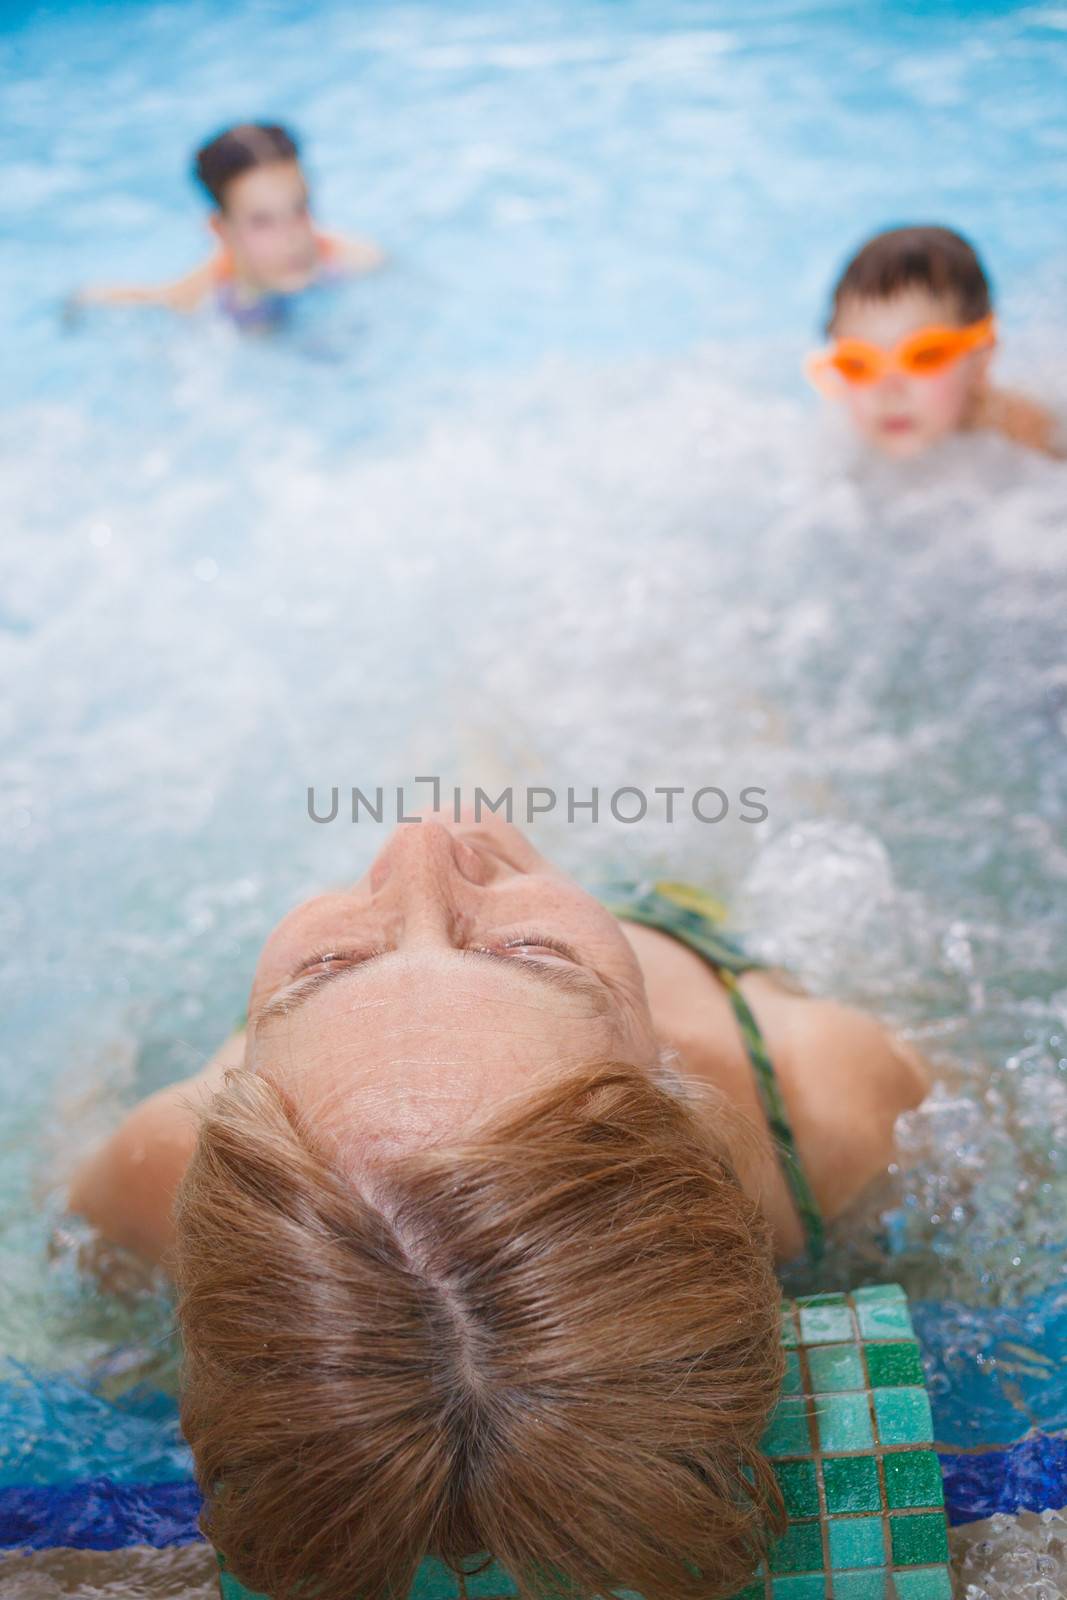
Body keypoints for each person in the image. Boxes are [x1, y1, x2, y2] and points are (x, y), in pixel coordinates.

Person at [66, 810, 930, 1600]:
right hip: (663, 921)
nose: (417, 836)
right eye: (532, 953)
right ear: (677, 1086)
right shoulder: (831, 1113)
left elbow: (79, 1241)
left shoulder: (150, 1178)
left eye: (322, 973)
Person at [72, 122, 384, 327]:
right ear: (221, 231)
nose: (293, 238)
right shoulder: (201, 294)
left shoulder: (355, 260)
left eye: (300, 209)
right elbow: (108, 299)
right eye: (263, 222)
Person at [806, 224, 1064, 459]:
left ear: (981, 360)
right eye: (857, 364)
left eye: (923, 356)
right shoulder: (830, 444)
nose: (888, 391)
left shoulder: (1028, 437)